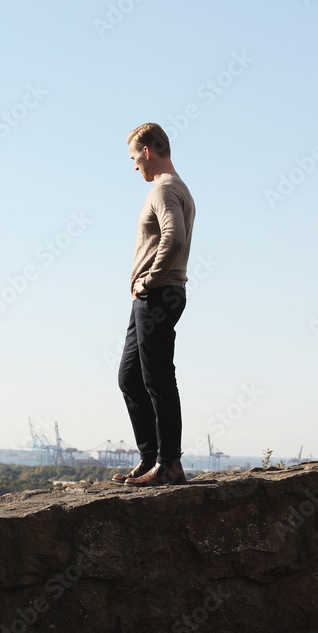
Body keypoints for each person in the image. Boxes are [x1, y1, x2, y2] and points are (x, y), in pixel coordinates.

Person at [112, 123, 195, 487]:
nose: (134, 166)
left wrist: (149, 278)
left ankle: (169, 465)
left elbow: (174, 237)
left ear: (147, 151)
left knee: (158, 379)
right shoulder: (175, 188)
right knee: (130, 377)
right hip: (154, 295)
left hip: (158, 293)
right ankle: (150, 457)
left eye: (134, 157)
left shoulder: (163, 189)